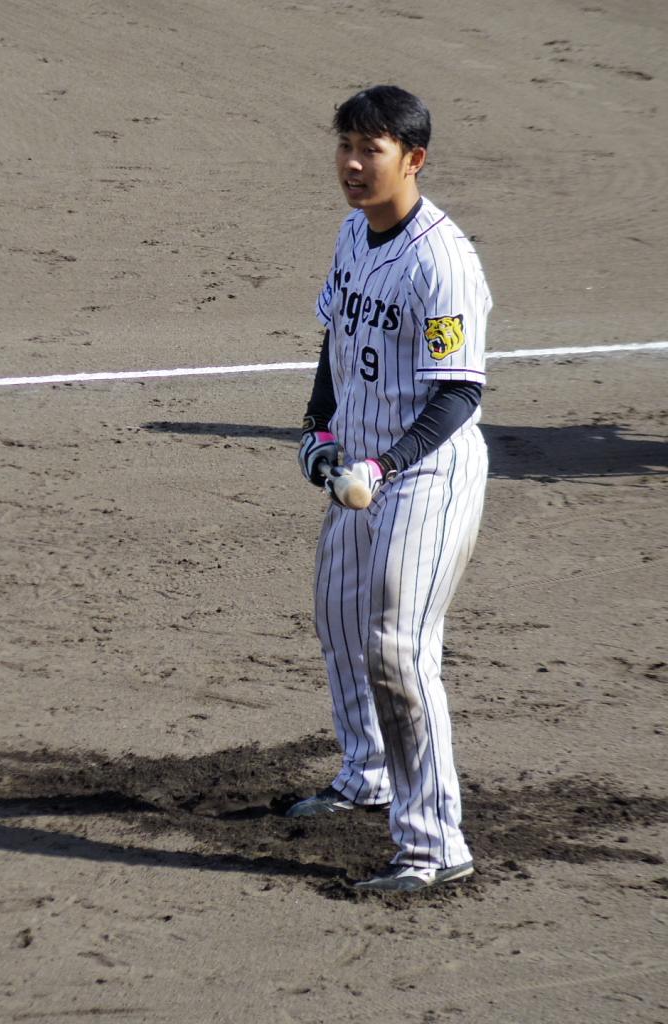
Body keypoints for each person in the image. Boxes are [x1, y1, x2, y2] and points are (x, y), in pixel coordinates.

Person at [287, 85, 491, 893]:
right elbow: (335, 343)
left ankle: (435, 844)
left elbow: (458, 394)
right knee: (339, 621)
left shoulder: (442, 261)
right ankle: (367, 772)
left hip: (426, 476)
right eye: (345, 146)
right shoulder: (352, 234)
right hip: (359, 473)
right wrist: (318, 430)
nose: (351, 164)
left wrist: (384, 464)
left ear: (413, 159)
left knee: (397, 651)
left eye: (370, 150)